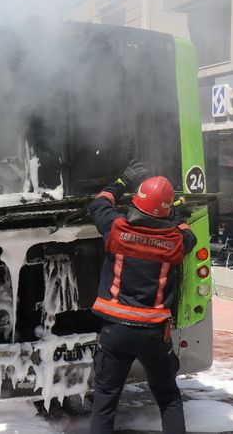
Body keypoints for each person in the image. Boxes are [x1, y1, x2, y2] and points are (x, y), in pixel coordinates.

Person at [88, 161, 197, 434]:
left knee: (105, 400)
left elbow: (99, 204)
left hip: (116, 330)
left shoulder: (116, 229)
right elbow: (189, 235)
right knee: (168, 397)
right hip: (154, 333)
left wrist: (122, 181)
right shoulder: (175, 241)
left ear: (136, 203)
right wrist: (174, 215)